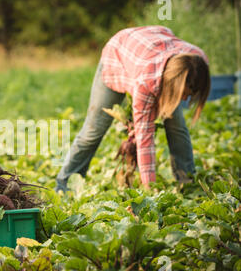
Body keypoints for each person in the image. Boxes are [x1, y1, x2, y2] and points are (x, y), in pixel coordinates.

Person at [55, 25, 210, 192]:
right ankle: (64, 187)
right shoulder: (145, 82)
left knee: (177, 127)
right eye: (183, 94)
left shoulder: (198, 63)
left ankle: (188, 184)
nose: (185, 99)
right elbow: (145, 140)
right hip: (118, 56)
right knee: (93, 131)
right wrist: (149, 189)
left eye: (188, 95)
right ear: (172, 84)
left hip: (150, 51)